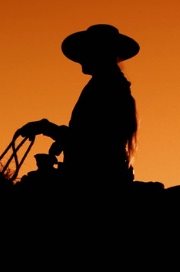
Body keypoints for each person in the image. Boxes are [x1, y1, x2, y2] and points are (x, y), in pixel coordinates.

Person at [16, 24, 139, 191]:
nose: (82, 57)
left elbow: (92, 141)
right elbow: (91, 134)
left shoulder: (104, 87)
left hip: (95, 177)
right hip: (106, 172)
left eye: (87, 51)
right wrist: (62, 140)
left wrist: (47, 128)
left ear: (98, 54)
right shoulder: (111, 85)